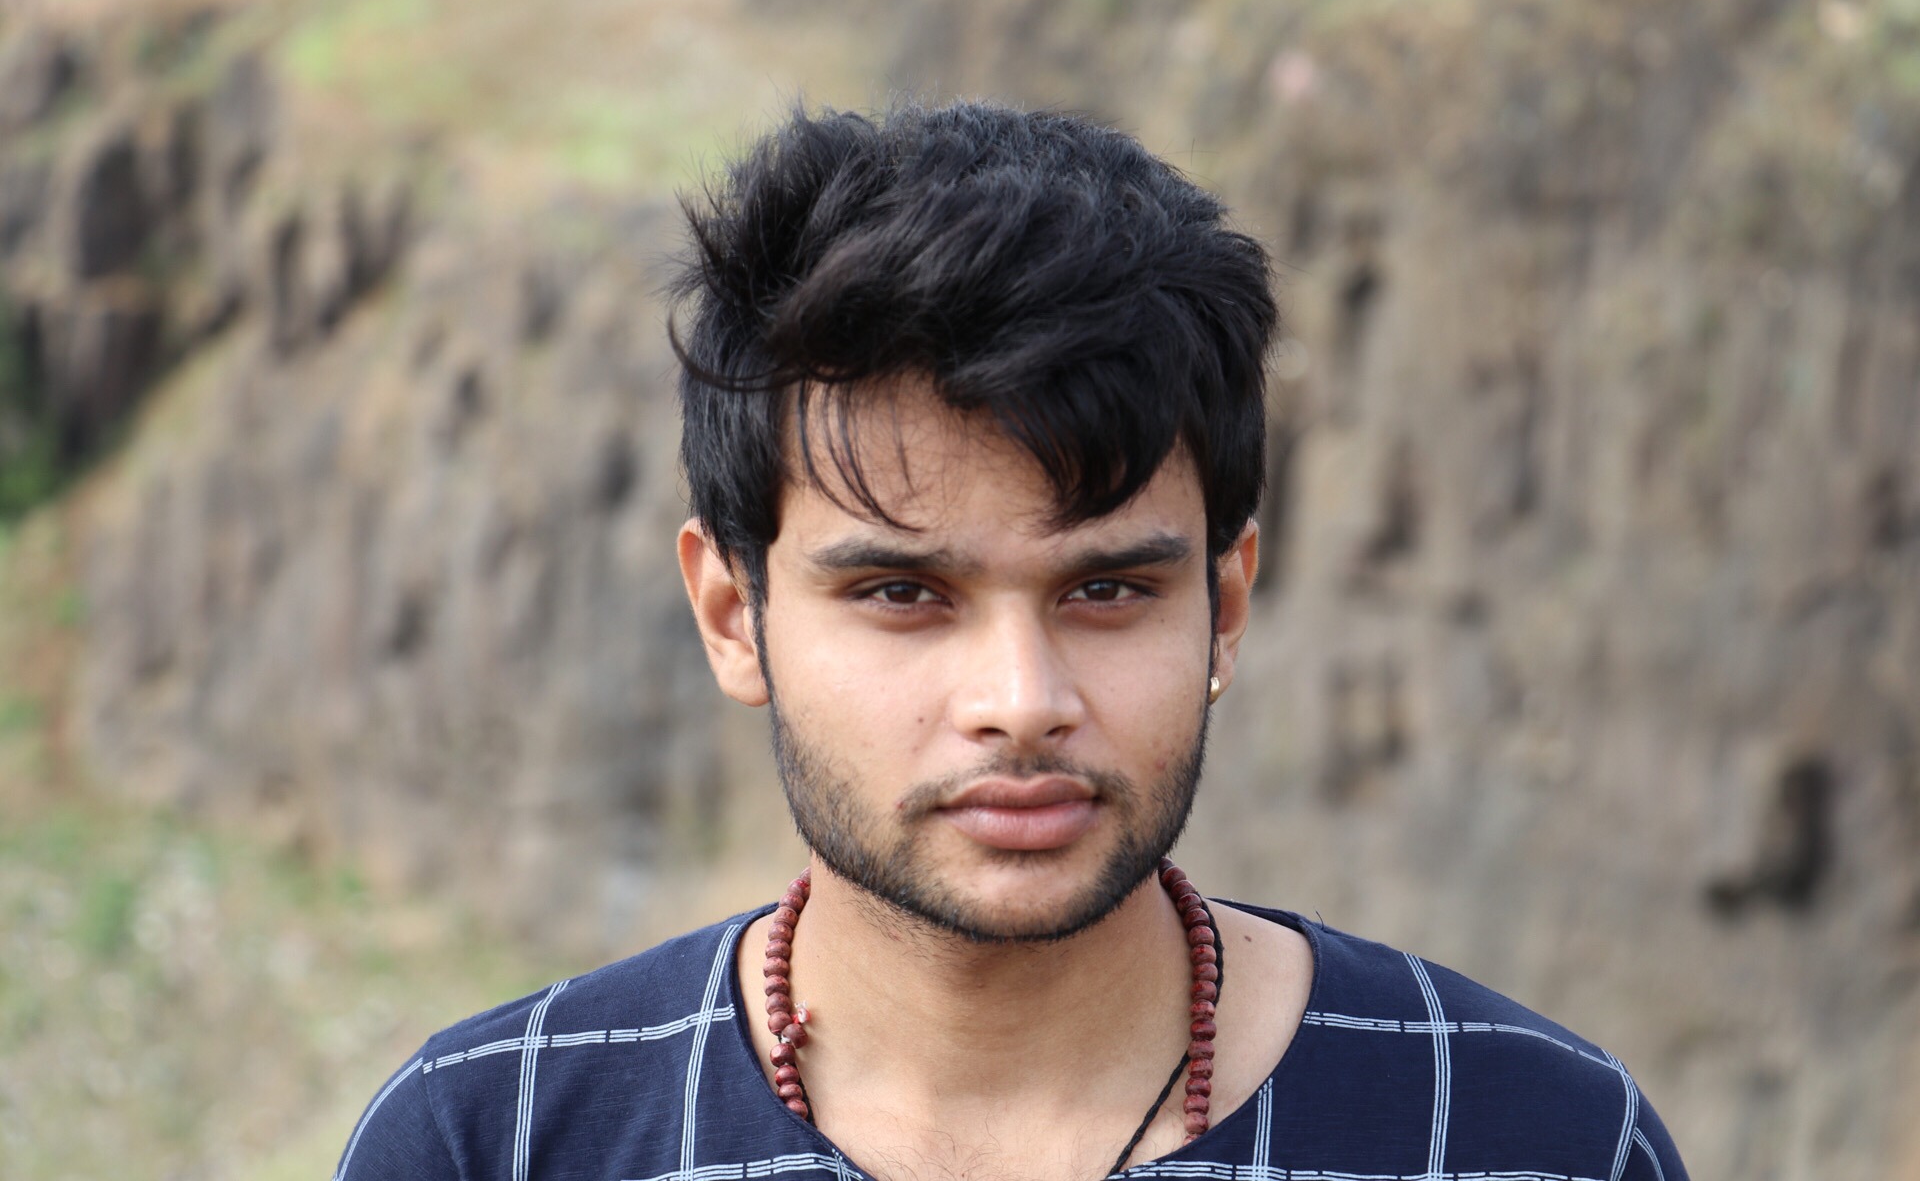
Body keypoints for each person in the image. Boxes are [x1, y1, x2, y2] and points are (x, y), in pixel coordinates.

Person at [334, 101, 1689, 1181]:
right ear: (735, 617)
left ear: (1224, 605)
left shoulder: (1528, 1139)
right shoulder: (496, 1140)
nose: (1021, 701)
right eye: (901, 594)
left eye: (1107, 592)